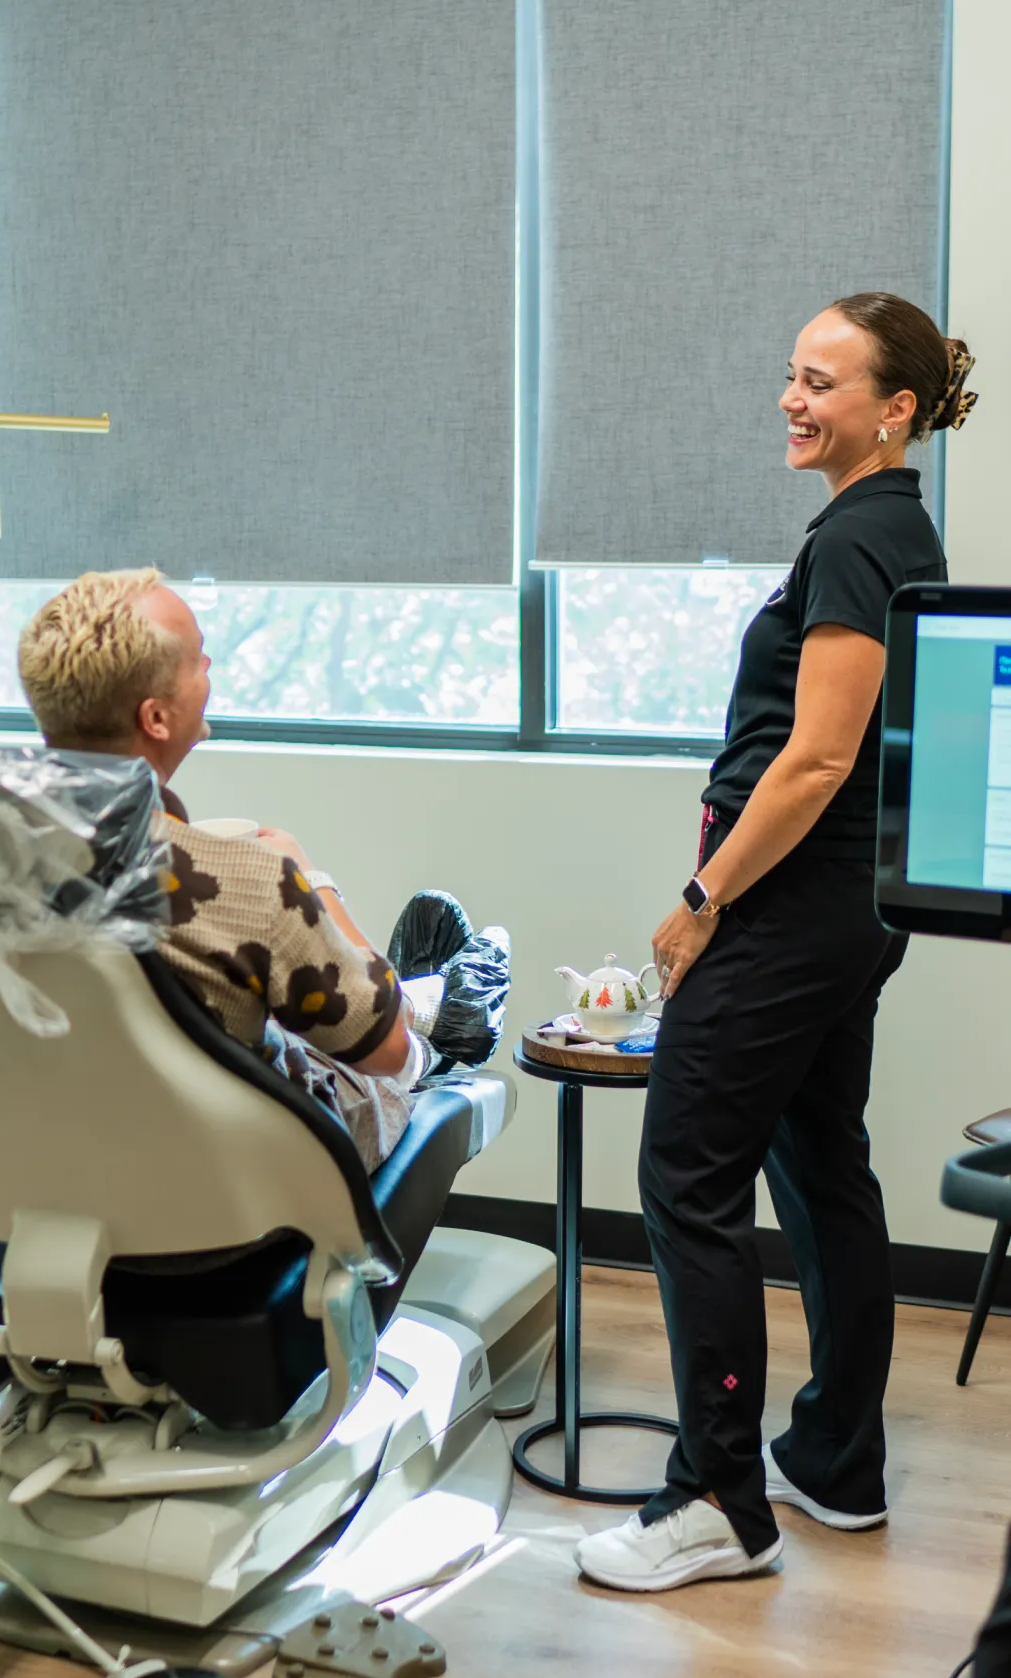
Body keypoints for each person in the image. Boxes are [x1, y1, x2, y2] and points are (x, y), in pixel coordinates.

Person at [575, 293, 976, 1592]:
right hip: (839, 914)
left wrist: (700, 900)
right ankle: (835, 1459)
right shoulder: (882, 528)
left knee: (686, 1176)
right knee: (818, 1165)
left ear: (892, 408)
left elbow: (813, 757)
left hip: (786, 911)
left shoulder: (861, 540)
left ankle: (714, 1500)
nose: (790, 400)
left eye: (819, 382)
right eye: (788, 376)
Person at [16, 567, 506, 1171]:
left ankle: (422, 995)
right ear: (156, 718)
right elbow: (389, 1057)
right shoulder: (242, 884)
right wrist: (312, 883)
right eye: (197, 659)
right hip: (220, 1198)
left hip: (43, 1170)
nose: (211, 667)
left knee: (262, 1014)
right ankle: (438, 1015)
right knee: (386, 1062)